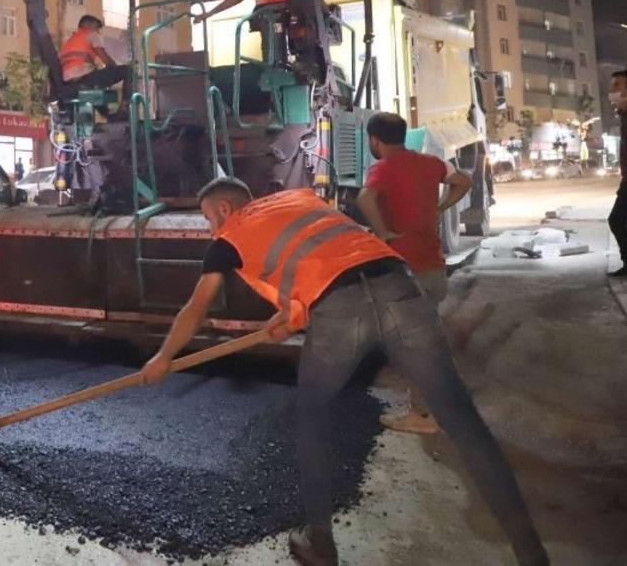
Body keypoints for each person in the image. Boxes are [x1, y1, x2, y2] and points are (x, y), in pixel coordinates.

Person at [141, 178, 549, 566]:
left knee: (313, 419)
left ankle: (320, 543)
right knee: (462, 420)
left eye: (209, 218)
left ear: (225, 208)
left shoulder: (229, 238)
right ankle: (532, 553)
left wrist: (162, 358)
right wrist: (289, 315)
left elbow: (196, 307)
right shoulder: (300, 201)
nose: (212, 228)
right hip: (401, 289)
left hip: (340, 314)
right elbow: (325, 258)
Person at [356, 112, 472, 434]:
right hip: (434, 267)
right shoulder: (432, 163)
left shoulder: (381, 168)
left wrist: (383, 233)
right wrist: (441, 207)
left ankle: (423, 416)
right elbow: (464, 181)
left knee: (412, 350)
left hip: (407, 271)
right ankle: (439, 408)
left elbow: (364, 197)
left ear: (374, 140)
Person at [58, 14, 129, 89]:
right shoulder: (92, 34)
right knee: (128, 70)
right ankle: (126, 100)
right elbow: (103, 56)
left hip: (68, 82)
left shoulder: (69, 41)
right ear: (87, 24)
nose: (98, 32)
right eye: (96, 28)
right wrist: (114, 67)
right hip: (83, 79)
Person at [607, 71, 627, 276]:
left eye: (617, 86)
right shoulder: (623, 115)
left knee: (617, 219)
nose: (612, 91)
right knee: (618, 220)